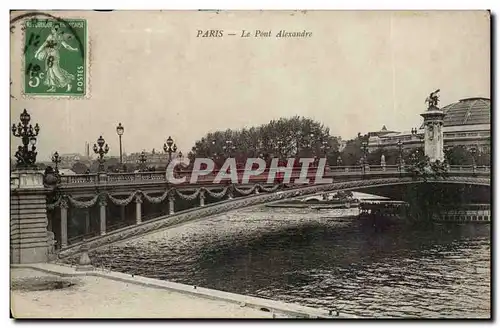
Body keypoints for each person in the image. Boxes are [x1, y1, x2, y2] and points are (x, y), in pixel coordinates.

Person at [34, 23, 79, 92]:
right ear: (52, 29)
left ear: (59, 29)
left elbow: (66, 46)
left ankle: (68, 84)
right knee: (50, 71)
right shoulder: (50, 36)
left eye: (57, 28)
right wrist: (37, 53)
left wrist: (73, 49)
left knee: (56, 70)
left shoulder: (60, 37)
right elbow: (44, 45)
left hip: (54, 55)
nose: (56, 30)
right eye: (55, 28)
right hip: (49, 55)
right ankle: (53, 87)